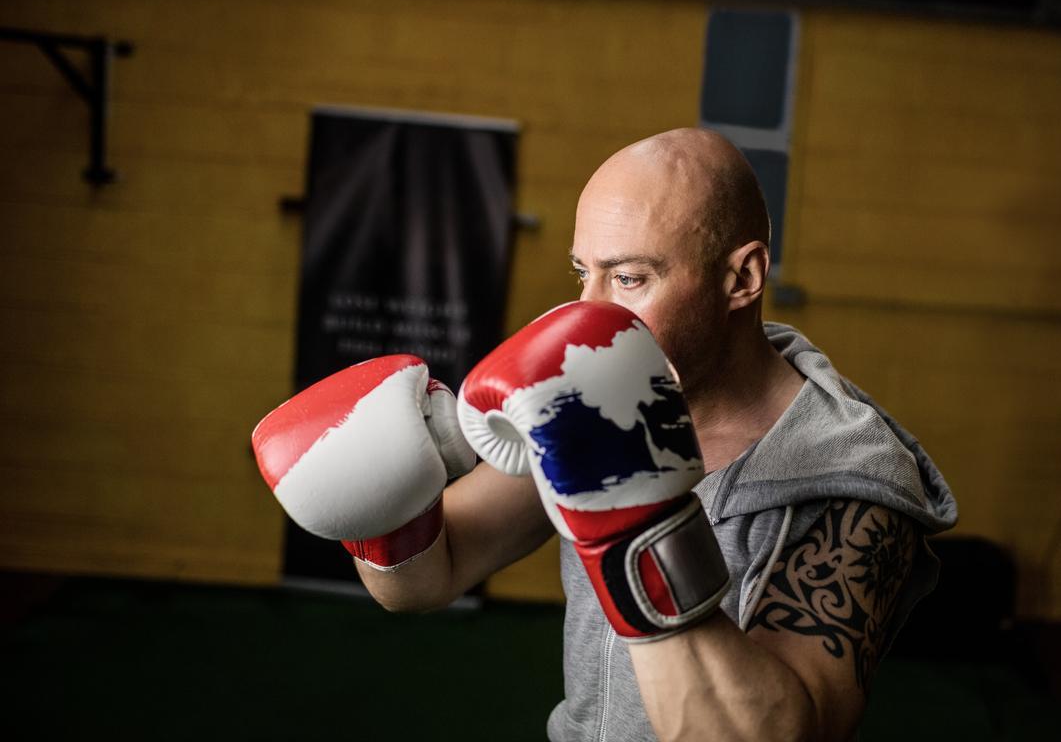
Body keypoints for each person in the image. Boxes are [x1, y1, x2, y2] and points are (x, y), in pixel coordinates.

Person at [253, 128, 957, 741]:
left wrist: (635, 517)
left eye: (629, 278)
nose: (587, 314)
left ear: (741, 277)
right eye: (582, 273)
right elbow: (427, 578)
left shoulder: (856, 477)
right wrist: (388, 511)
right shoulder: (594, 392)